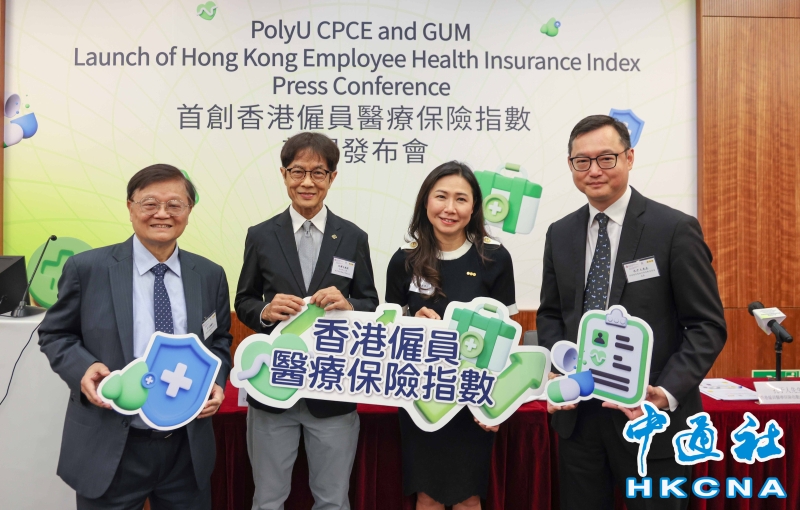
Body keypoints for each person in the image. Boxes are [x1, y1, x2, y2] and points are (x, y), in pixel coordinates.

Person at [537, 115, 727, 510]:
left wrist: (665, 394)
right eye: (581, 161)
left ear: (629, 158)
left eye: (606, 158)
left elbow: (706, 325)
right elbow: (552, 315)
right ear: (571, 165)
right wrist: (560, 369)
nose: (594, 170)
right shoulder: (560, 233)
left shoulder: (673, 229)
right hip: (579, 423)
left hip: (649, 419)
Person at [38, 164, 233, 510]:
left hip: (185, 448)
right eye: (150, 204)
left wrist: (215, 381)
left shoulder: (209, 274)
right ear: (130, 207)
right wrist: (84, 368)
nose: (162, 213)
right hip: (111, 443)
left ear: (189, 210)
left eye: (175, 204)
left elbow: (218, 341)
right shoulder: (88, 269)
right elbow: (56, 333)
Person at [235, 132, 379, 510]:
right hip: (273, 388)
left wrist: (349, 305)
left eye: (318, 172)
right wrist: (265, 311)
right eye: (298, 171)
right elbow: (244, 300)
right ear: (284, 174)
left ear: (332, 177)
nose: (307, 182)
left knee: (333, 500)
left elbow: (370, 303)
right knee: (268, 500)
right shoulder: (261, 235)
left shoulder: (353, 237)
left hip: (332, 390)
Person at [385, 161, 517, 510]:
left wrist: (496, 402)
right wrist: (412, 321)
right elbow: (388, 332)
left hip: (473, 395)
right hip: (420, 392)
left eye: (461, 199)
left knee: (468, 498)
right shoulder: (404, 260)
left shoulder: (494, 257)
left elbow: (509, 337)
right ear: (426, 202)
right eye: (441, 196)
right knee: (426, 496)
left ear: (474, 207)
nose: (450, 208)